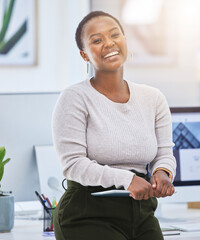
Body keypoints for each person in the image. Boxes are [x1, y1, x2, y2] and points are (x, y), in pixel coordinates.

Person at [52, 11, 176, 240]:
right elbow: (73, 165)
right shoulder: (74, 98)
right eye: (97, 40)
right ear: (84, 55)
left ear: (125, 40)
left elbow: (164, 153)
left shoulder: (153, 98)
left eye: (114, 35)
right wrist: (127, 180)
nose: (109, 43)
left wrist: (163, 173)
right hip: (87, 212)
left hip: (142, 211)